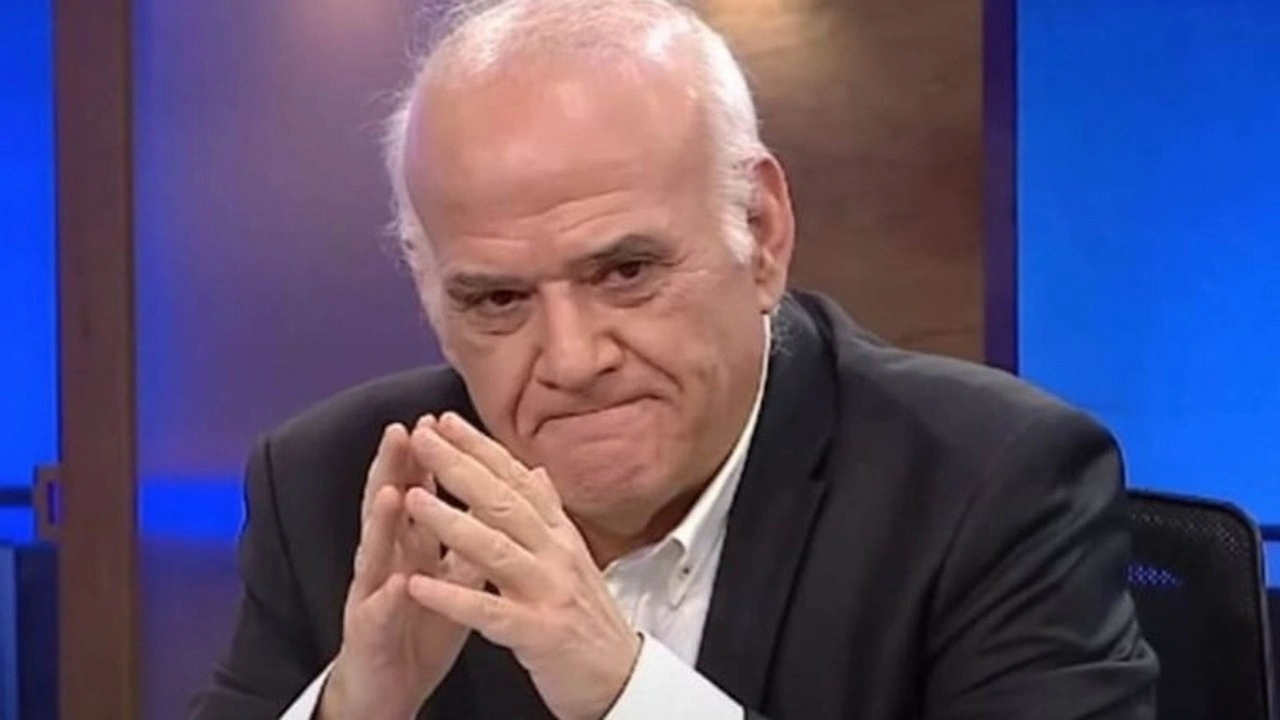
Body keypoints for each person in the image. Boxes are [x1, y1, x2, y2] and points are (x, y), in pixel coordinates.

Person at [190, 0, 1158, 718]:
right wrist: (357, 709)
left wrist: (623, 692)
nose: (571, 360)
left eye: (626, 272)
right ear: (426, 290)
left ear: (760, 233)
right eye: (496, 300)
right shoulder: (340, 488)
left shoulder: (987, 483)